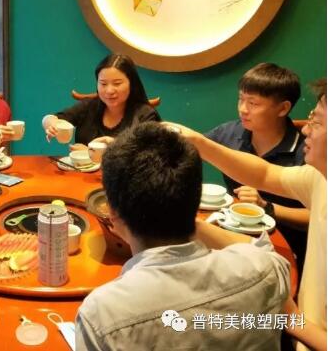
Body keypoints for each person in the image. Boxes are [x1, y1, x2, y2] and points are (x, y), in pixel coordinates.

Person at [76, 122, 290, 350]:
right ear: (196, 200)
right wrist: (185, 215)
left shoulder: (102, 315)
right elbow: (261, 248)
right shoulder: (266, 268)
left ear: (113, 215)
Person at [166, 79, 326, 351]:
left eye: (318, 122)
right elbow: (264, 173)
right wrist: (197, 142)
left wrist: (292, 320)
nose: (306, 129)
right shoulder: (319, 178)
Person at [205, 63, 308, 273]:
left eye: (253, 103)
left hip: (285, 252)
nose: (243, 109)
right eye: (241, 99)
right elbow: (190, 149)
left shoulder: (306, 150)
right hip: (235, 241)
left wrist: (266, 206)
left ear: (283, 108)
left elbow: (317, 216)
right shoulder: (230, 133)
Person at [42, 54, 160, 147]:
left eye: (117, 83)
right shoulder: (89, 106)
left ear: (131, 84)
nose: (109, 90)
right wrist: (51, 124)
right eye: (103, 84)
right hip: (82, 171)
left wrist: (93, 152)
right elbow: (51, 118)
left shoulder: (145, 115)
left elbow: (149, 153)